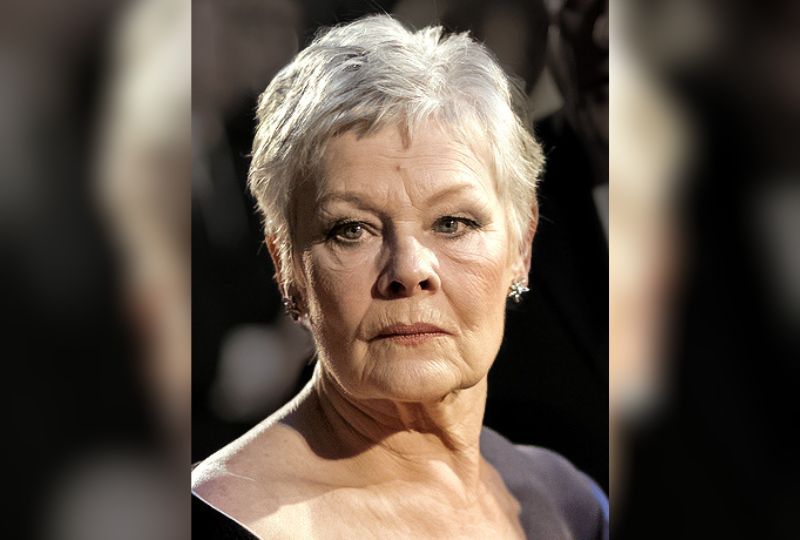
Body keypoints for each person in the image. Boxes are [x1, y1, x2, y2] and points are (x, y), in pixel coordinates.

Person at [192, 14, 608, 539]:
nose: (409, 270)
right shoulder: (214, 521)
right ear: (286, 267)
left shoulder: (571, 506)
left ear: (521, 248)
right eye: (352, 229)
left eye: (453, 223)